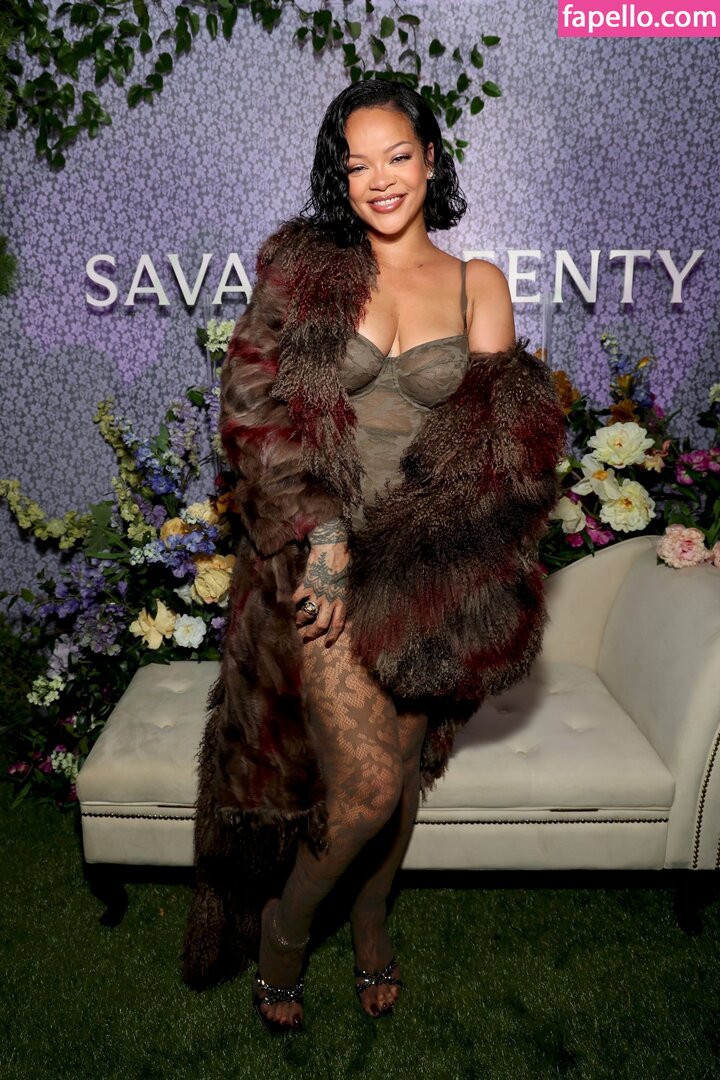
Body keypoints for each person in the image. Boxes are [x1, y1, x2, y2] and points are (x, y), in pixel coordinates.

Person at [181, 79, 566, 1035]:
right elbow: (254, 411)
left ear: (431, 160)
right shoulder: (308, 272)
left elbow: (499, 453)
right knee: (363, 789)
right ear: (339, 178)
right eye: (356, 164)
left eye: (397, 155)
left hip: (423, 573)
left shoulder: (478, 283)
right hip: (319, 564)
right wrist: (323, 536)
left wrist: (442, 561)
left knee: (398, 776)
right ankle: (285, 932)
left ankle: (371, 920)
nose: (379, 179)